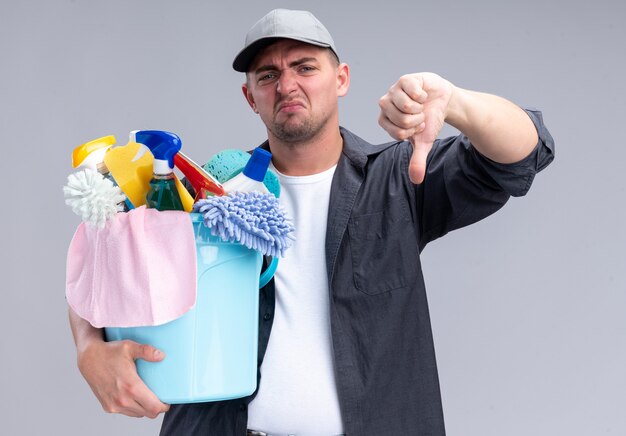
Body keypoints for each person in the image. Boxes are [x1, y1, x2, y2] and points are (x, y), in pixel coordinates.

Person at [69, 8, 554, 436]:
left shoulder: (400, 178)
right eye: (268, 74)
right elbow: (102, 259)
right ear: (249, 96)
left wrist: (454, 103)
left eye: (305, 67)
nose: (287, 85)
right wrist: (89, 349)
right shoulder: (207, 195)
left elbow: (524, 152)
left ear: (341, 78)